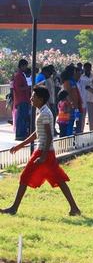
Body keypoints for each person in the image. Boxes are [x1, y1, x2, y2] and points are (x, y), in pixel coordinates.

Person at [1, 86, 81, 216]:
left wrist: (43, 156)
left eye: (33, 97)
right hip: (45, 151)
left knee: (25, 177)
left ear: (41, 99)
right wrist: (19, 146)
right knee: (58, 179)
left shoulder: (44, 113)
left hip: (44, 151)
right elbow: (37, 134)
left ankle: (14, 208)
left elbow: (49, 136)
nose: (31, 99)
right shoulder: (43, 112)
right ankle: (74, 208)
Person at [12, 59, 31, 140]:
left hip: (24, 99)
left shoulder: (21, 75)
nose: (26, 67)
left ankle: (22, 133)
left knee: (24, 117)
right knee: (21, 117)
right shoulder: (18, 75)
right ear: (22, 66)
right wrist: (27, 87)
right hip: (21, 99)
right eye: (25, 66)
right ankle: (20, 134)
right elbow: (18, 88)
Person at [78, 62, 93, 131]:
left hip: (91, 99)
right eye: (86, 68)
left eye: (89, 68)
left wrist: (92, 90)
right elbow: (81, 87)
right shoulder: (81, 77)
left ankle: (92, 132)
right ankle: (80, 132)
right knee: (82, 118)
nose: (87, 69)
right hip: (83, 99)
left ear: (90, 68)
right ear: (84, 68)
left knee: (92, 118)